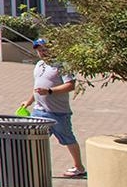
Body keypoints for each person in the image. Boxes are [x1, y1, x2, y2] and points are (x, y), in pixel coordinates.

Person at [31, 37, 87, 178]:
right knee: (32, 139)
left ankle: (79, 167)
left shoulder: (61, 65)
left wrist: (50, 91)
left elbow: (70, 85)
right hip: (39, 111)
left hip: (58, 112)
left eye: (45, 49)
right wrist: (29, 101)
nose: (42, 52)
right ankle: (33, 167)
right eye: (39, 50)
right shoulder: (39, 65)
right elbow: (37, 87)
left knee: (68, 138)